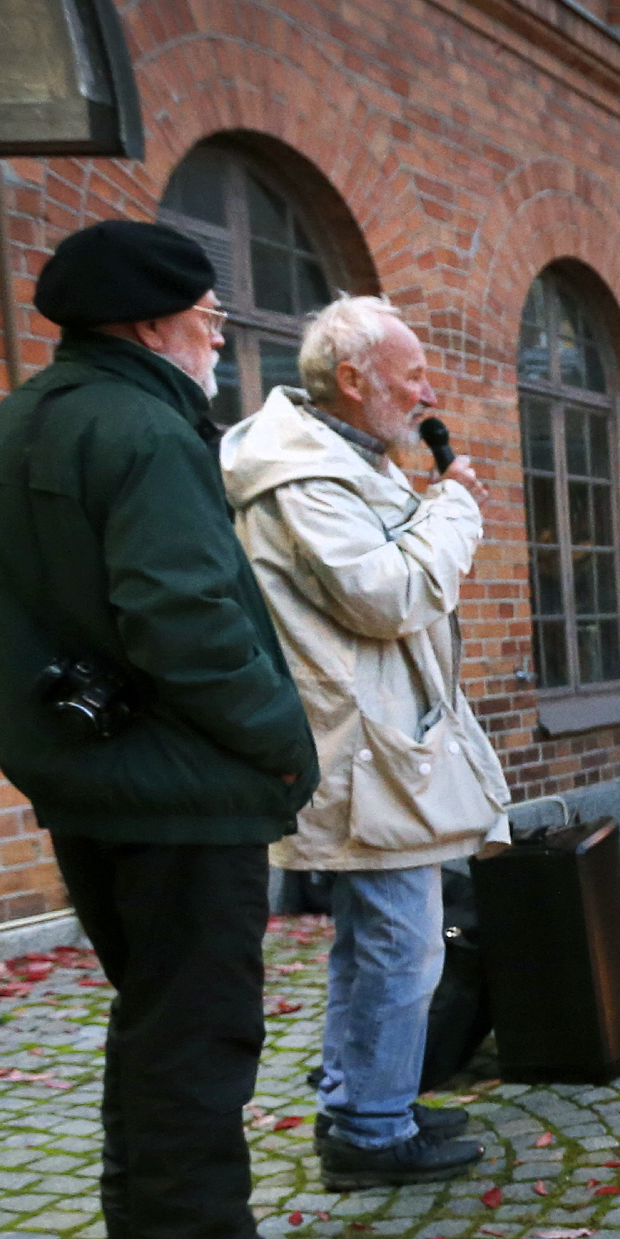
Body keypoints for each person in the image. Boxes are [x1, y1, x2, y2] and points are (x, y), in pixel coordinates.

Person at [0, 219, 332, 1239]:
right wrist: (282, 744)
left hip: (88, 776)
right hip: (180, 788)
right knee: (199, 1023)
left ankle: (151, 1229)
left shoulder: (14, 425)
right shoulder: (143, 430)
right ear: (151, 321)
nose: (217, 335)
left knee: (152, 1012)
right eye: (209, 317)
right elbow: (185, 618)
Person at [220, 293, 507, 1190]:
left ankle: (365, 1102)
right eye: (411, 373)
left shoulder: (343, 459)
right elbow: (387, 595)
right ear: (352, 379)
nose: (429, 390)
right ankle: (371, 1132)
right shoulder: (303, 476)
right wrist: (454, 507)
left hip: (381, 742)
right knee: (400, 941)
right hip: (365, 748)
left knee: (376, 938)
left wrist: (430, 503)